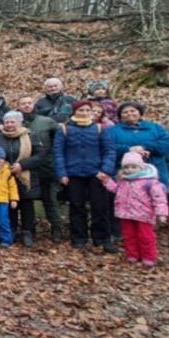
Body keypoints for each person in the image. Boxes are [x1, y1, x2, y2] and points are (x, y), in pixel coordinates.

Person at [53, 101, 117, 252]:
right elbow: (58, 153)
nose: (85, 112)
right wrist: (61, 173)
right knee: (76, 206)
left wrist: (106, 170)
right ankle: (79, 238)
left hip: (97, 174)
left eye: (88, 110)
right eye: (81, 110)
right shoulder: (64, 129)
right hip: (73, 173)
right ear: (74, 112)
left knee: (100, 207)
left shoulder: (100, 128)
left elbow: (109, 150)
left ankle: (102, 238)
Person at [100, 152, 168, 267]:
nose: (129, 170)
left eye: (133, 167)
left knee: (146, 236)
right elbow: (116, 190)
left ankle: (148, 257)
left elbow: (159, 198)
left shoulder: (149, 181)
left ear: (140, 167)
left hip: (144, 215)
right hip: (126, 214)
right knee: (129, 236)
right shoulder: (123, 180)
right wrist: (106, 181)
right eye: (126, 167)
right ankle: (133, 255)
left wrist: (161, 213)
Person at [0, 111, 47, 247]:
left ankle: (28, 232)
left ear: (20, 122)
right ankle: (12, 230)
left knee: (27, 204)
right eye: (7, 122)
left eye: (12, 122)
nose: (9, 125)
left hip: (26, 175)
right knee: (10, 204)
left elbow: (40, 156)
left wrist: (22, 165)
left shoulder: (31, 136)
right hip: (5, 175)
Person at [17, 95, 63, 241]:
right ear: (18, 106)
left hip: (46, 167)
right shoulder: (15, 122)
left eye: (29, 103)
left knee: (50, 200)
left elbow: (59, 141)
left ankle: (57, 228)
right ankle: (29, 231)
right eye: (23, 103)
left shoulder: (46, 121)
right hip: (26, 169)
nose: (26, 105)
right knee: (27, 201)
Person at [107, 101, 169, 187]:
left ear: (140, 113)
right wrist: (129, 149)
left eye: (133, 111)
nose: (129, 113)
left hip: (155, 170)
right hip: (126, 172)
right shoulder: (112, 131)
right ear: (120, 116)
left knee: (157, 197)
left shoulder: (154, 127)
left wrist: (145, 147)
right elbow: (108, 148)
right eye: (125, 112)